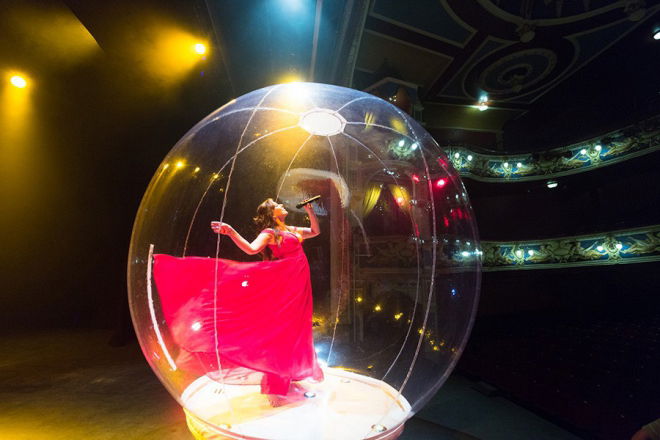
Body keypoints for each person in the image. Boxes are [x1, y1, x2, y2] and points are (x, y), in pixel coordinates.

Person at [152, 198, 324, 404]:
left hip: (299, 281)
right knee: (282, 329)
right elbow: (251, 249)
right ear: (271, 213)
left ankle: (287, 374)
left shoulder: (290, 229)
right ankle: (275, 384)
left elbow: (315, 231)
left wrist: (310, 211)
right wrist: (231, 232)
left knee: (296, 327)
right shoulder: (269, 233)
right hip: (285, 281)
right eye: (277, 205)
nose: (281, 206)